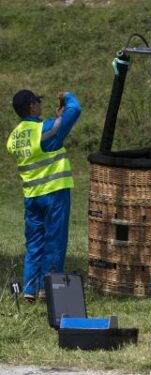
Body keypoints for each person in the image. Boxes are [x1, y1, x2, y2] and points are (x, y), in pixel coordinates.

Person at [6, 89, 81, 303]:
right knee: (54, 241)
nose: (40, 105)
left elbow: (44, 141)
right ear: (31, 106)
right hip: (54, 193)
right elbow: (75, 110)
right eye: (38, 101)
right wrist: (68, 96)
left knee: (34, 244)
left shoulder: (13, 138)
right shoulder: (44, 129)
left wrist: (56, 121)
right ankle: (48, 290)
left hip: (32, 196)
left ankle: (30, 289)